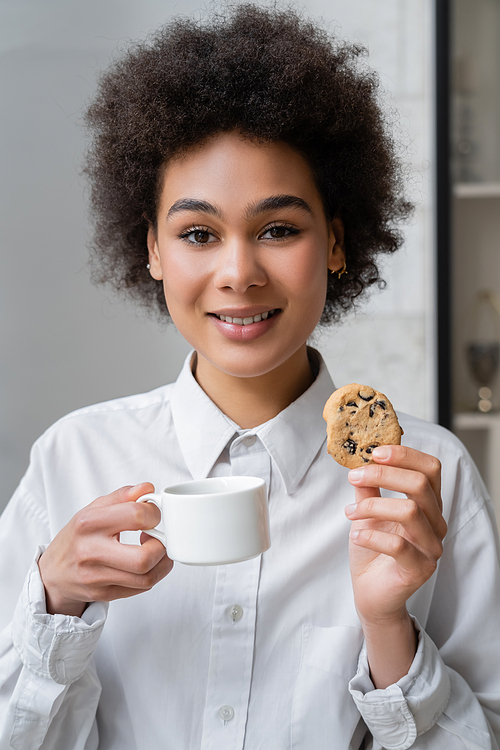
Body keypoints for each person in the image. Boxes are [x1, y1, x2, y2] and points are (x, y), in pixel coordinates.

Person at [1, 5, 499, 749]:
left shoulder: (427, 481)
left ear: (335, 241)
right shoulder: (74, 460)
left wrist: (388, 627)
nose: (239, 273)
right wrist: (58, 603)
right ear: (153, 251)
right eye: (198, 234)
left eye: (278, 229)